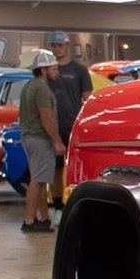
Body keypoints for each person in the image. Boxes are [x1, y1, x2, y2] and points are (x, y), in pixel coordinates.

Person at [18, 49, 64, 233]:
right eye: (54, 69)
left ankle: (44, 218)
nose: (57, 72)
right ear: (43, 70)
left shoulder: (28, 86)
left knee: (41, 179)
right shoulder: (42, 89)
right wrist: (58, 142)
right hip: (40, 139)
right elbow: (47, 118)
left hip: (29, 137)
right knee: (37, 181)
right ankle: (29, 221)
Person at [46, 32, 91, 209]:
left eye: (60, 45)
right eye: (54, 46)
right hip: (54, 126)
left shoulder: (79, 70)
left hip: (73, 124)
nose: (57, 49)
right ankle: (57, 206)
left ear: (67, 46)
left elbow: (87, 97)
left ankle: (73, 204)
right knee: (56, 169)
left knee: (74, 168)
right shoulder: (47, 71)